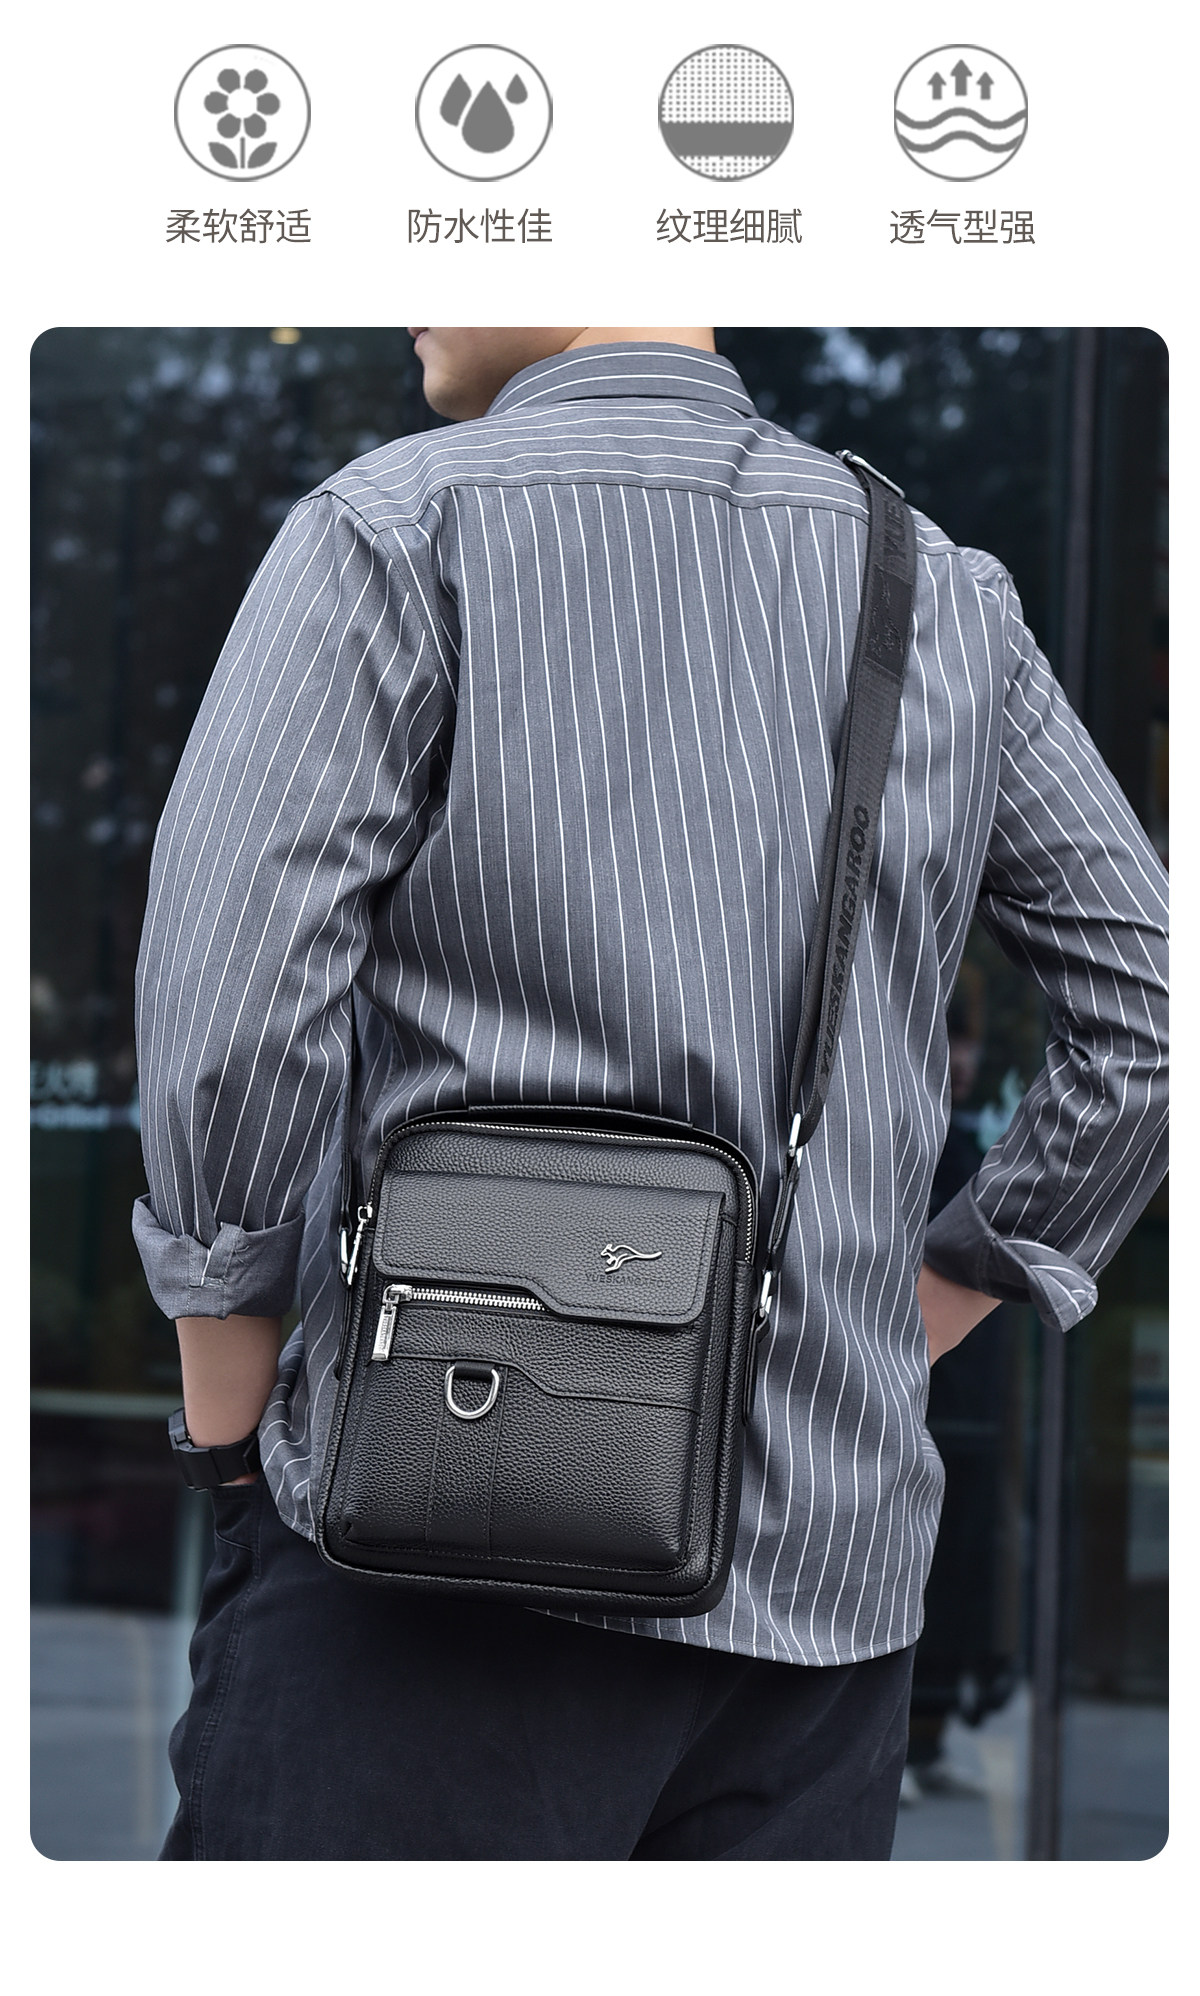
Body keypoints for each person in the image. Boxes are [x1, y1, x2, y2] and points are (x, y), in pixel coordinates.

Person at [133, 326, 1169, 1860]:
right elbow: (1152, 1016)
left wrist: (227, 1430)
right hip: (820, 1603)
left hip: (434, 1536)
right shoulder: (939, 588)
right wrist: (927, 1301)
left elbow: (233, 1004)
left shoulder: (398, 526)